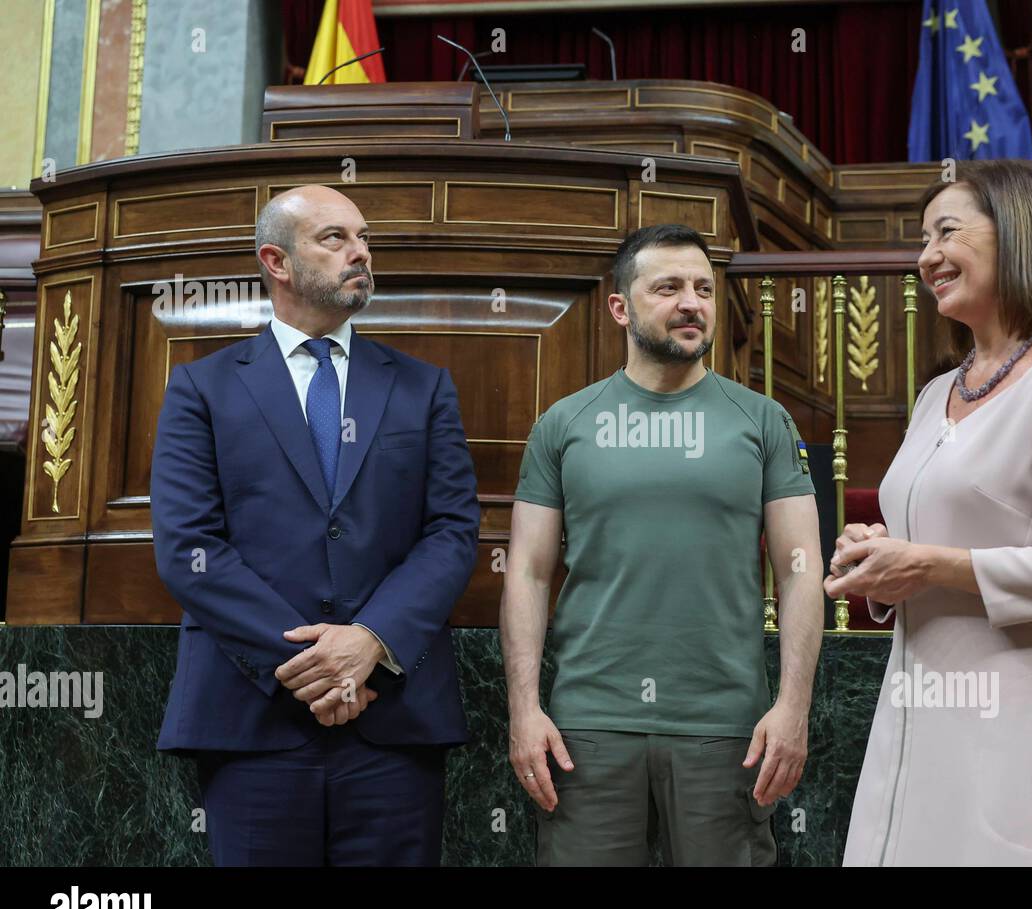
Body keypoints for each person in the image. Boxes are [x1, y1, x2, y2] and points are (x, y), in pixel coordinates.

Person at [826, 160, 1032, 866]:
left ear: (1016, 234)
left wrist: (932, 564)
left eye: (947, 232)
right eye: (920, 240)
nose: (927, 257)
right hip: (919, 706)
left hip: (1027, 716)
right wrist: (879, 556)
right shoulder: (935, 391)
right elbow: (928, 543)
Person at [151, 185, 480, 866]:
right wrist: (314, 667)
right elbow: (190, 550)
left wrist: (369, 644)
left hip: (393, 722)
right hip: (253, 721)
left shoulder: (423, 387)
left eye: (364, 239)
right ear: (276, 260)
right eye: (335, 238)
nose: (360, 252)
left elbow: (451, 533)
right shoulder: (202, 389)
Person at [501, 224, 823, 866]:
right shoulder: (564, 424)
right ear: (621, 306)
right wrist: (523, 710)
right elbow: (529, 574)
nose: (692, 303)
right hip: (586, 726)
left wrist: (792, 708)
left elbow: (801, 570)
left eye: (704, 288)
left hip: (726, 726)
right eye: (669, 287)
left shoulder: (763, 420)